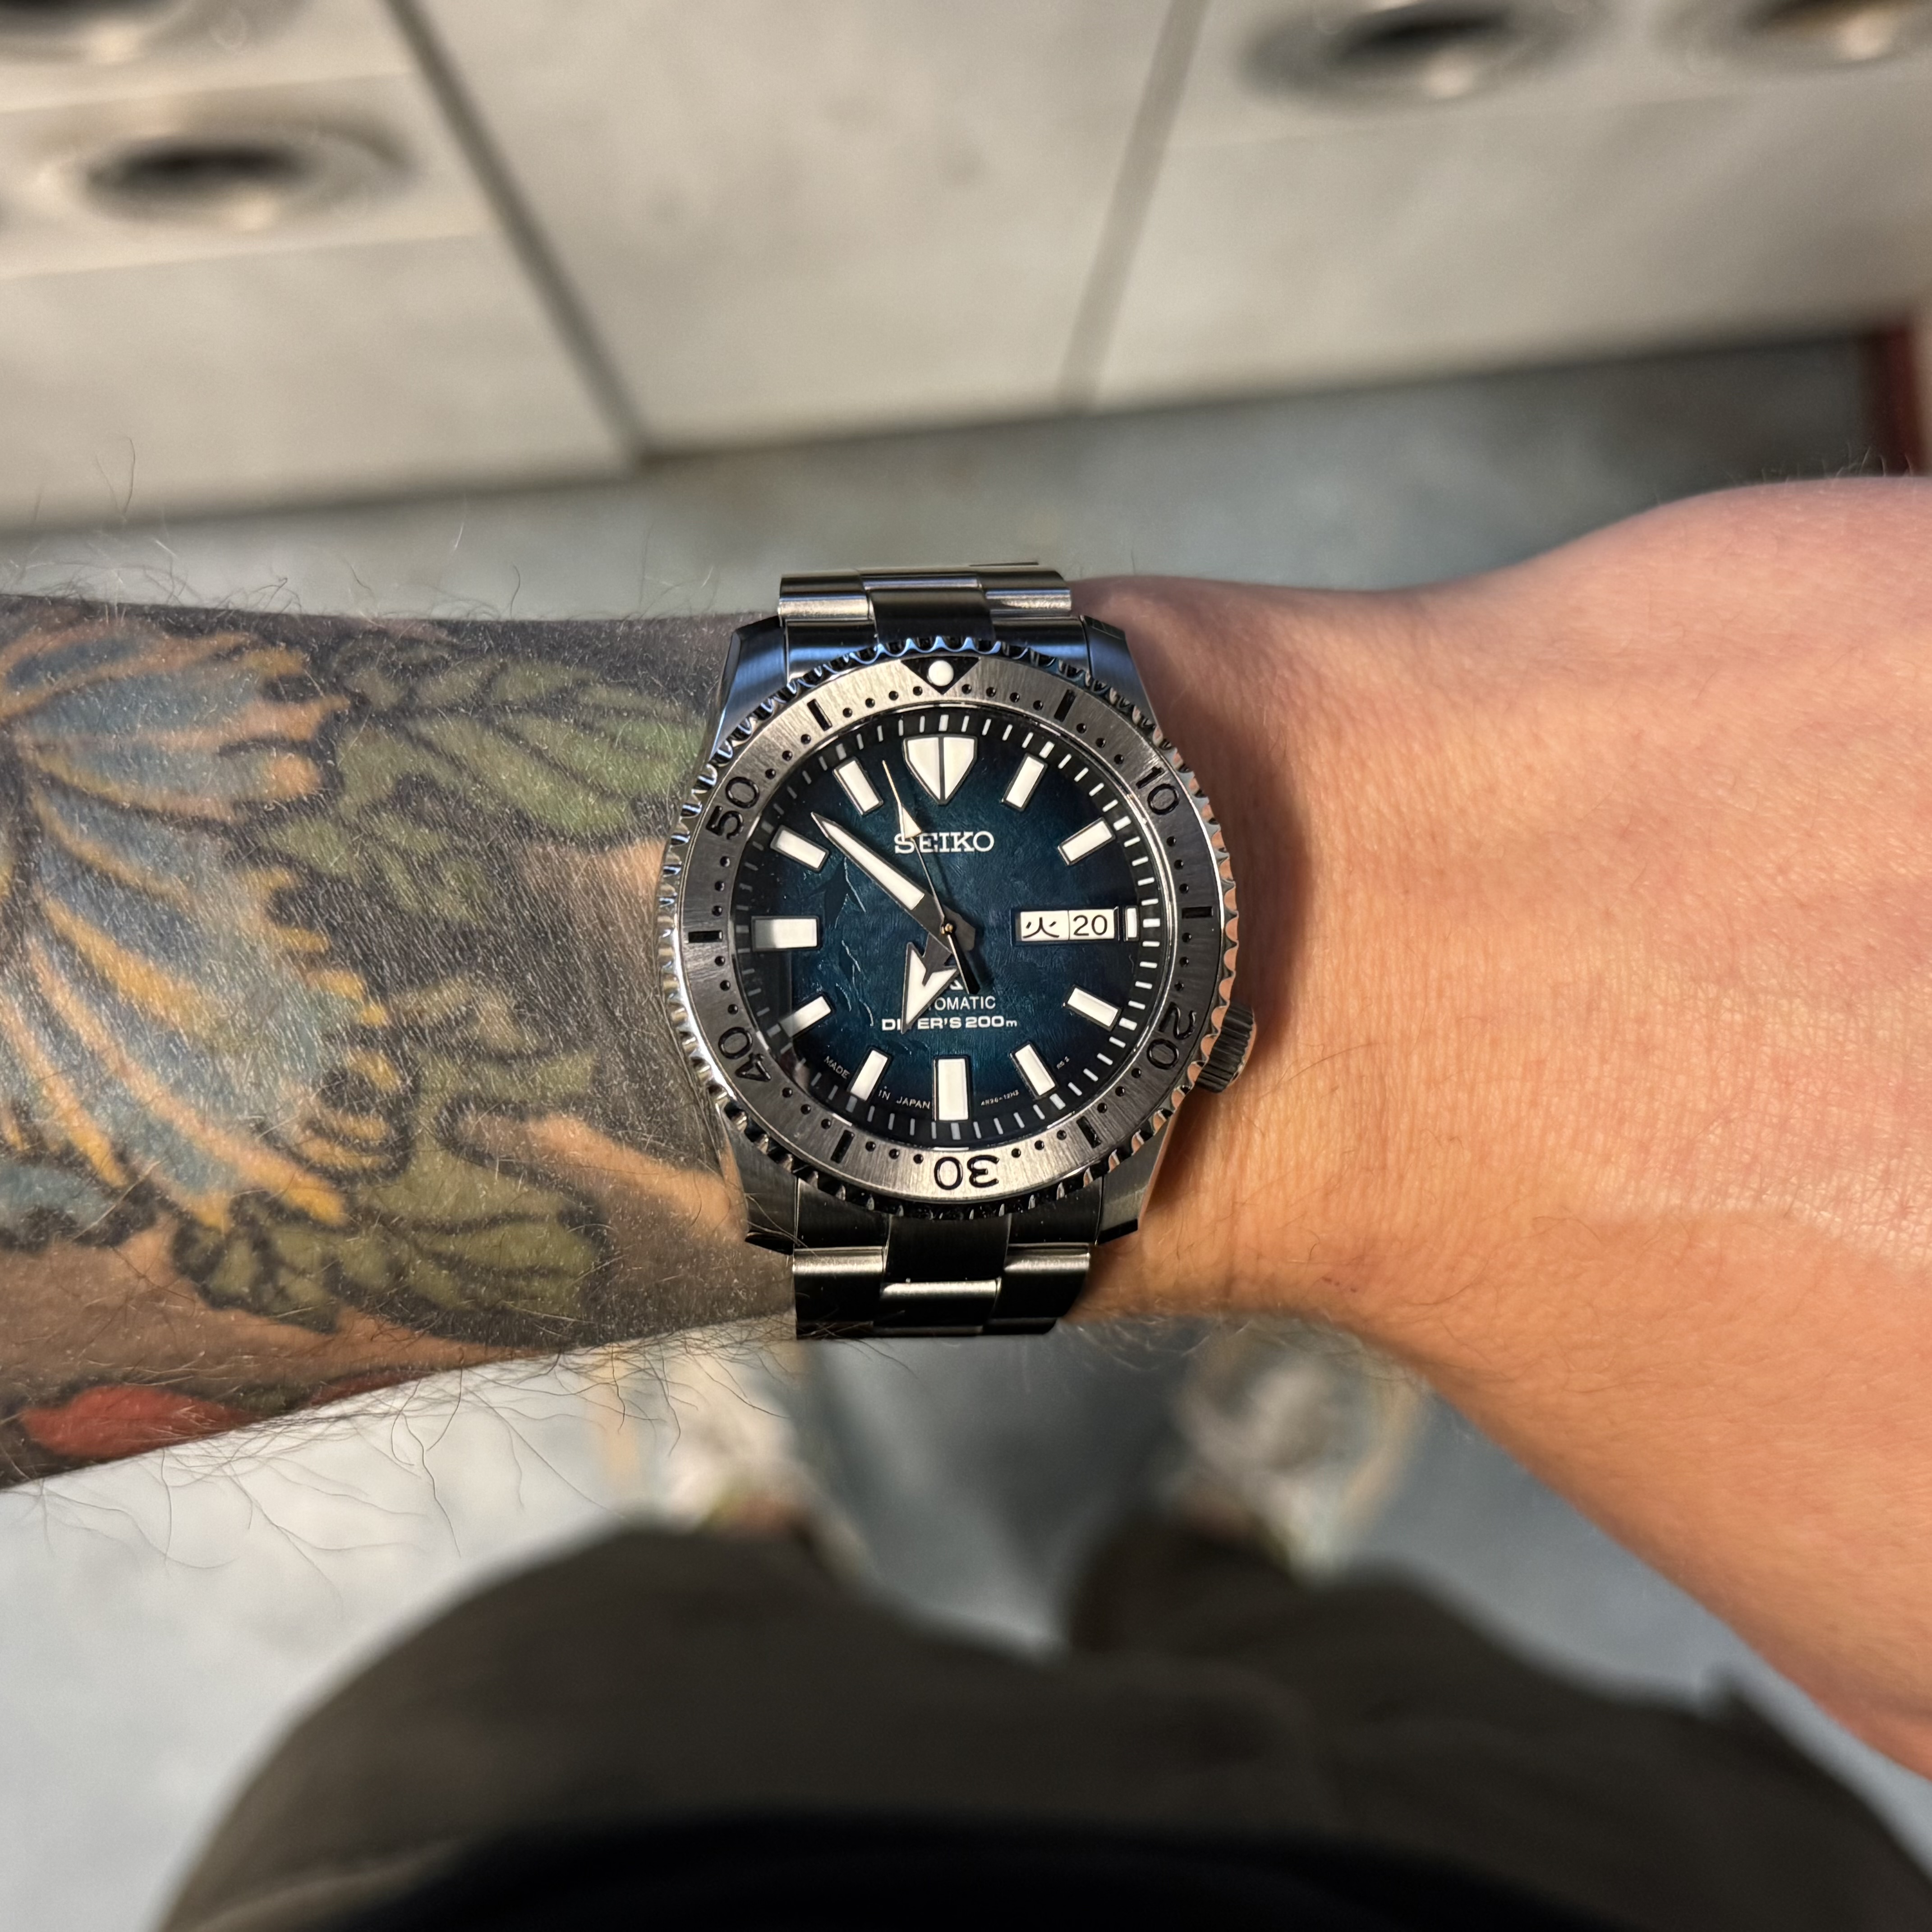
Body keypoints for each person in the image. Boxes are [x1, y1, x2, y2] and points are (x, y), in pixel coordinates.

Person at [1, 478, 1929, 1924]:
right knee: (1368, 1681)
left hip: (530, 1849)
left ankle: (758, 1533)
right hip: (1602, 1887)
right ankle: (1213, 1554)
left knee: (638, 1642)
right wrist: (1389, 913)